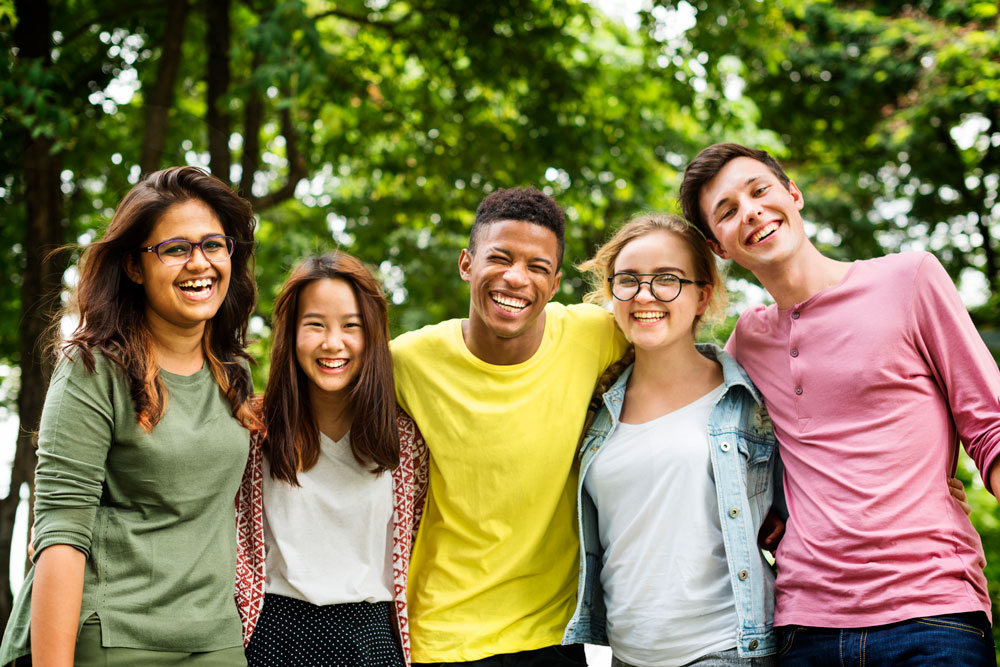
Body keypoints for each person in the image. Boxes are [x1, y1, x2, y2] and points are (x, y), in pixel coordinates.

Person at [679, 143, 1000, 666]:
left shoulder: (910, 280)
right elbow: (721, 458)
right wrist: (772, 509)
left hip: (934, 613)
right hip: (804, 629)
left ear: (793, 194)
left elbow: (991, 428)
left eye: (759, 191)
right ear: (719, 247)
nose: (752, 211)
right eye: (728, 211)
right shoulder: (747, 344)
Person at [0, 166, 260, 666]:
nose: (199, 263)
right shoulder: (93, 369)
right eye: (175, 249)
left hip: (216, 640)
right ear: (135, 267)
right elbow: (60, 533)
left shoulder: (233, 375)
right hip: (112, 638)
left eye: (214, 244)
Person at [392, 187, 628, 666]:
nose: (516, 278)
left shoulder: (596, 335)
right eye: (499, 258)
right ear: (467, 264)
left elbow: (679, 359)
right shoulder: (407, 360)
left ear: (556, 281)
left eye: (537, 267)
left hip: (552, 635)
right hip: (442, 635)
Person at [564, 213, 780, 667]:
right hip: (624, 656)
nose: (645, 295)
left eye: (666, 279)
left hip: (724, 650)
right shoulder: (594, 406)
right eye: (628, 280)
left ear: (702, 296)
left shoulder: (747, 399)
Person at [237, 252, 427, 667]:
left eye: (351, 326)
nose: (332, 342)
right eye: (316, 325)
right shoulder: (253, 430)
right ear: (291, 333)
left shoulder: (405, 440)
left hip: (373, 640)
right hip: (275, 636)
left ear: (372, 334)